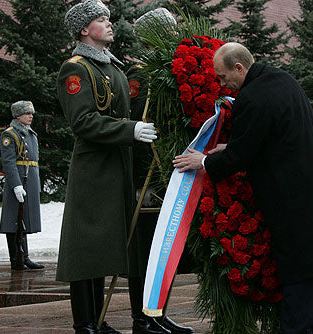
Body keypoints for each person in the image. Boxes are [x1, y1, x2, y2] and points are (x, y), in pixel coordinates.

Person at [172, 42, 313, 333]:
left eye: (223, 77)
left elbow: (241, 156)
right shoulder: (281, 78)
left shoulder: (252, 98)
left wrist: (204, 161)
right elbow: (271, 134)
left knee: (299, 276)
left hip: (294, 201)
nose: (222, 84)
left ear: (239, 68)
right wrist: (232, 146)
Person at [56, 1, 157, 333]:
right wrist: (130, 131)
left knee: (105, 246)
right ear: (85, 30)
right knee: (87, 246)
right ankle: (86, 323)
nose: (109, 24)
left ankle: (99, 321)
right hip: (94, 170)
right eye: (101, 20)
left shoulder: (112, 67)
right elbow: (83, 121)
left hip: (117, 167)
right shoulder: (77, 68)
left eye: (108, 19)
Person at [127, 8, 193, 334]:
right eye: (168, 29)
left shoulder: (171, 69)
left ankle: (159, 314)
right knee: (145, 252)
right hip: (150, 175)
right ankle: (143, 319)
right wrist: (142, 181)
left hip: (170, 171)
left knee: (165, 248)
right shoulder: (140, 74)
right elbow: (142, 130)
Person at [0, 100, 44, 271]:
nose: (31, 116)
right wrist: (16, 185)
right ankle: (15, 258)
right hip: (18, 181)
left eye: (31, 113)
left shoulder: (30, 134)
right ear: (18, 115)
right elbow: (9, 163)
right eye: (27, 113)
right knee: (14, 222)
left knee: (23, 221)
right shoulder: (10, 135)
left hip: (30, 180)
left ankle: (24, 256)